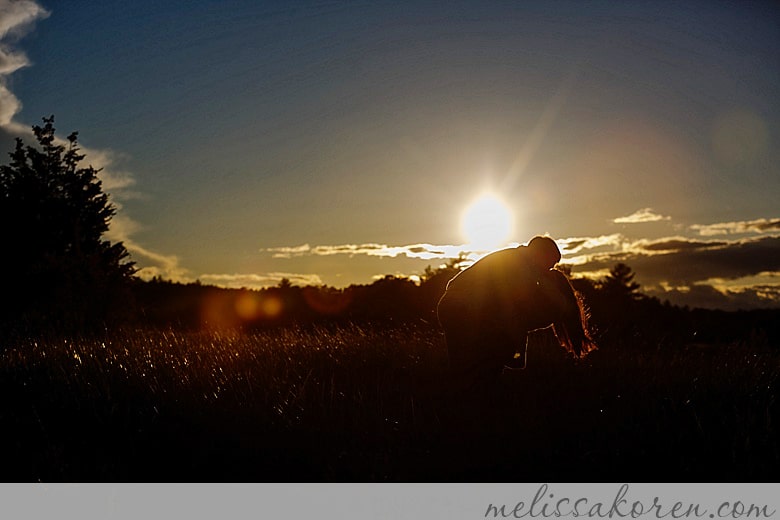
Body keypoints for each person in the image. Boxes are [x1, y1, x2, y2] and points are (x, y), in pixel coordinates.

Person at [437, 235, 593, 391]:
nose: (548, 270)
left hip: (452, 306)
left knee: (464, 369)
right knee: (478, 367)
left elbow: (453, 284)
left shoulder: (515, 260)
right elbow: (514, 309)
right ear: (540, 254)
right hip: (463, 309)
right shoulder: (518, 267)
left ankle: (460, 400)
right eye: (549, 264)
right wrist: (517, 353)